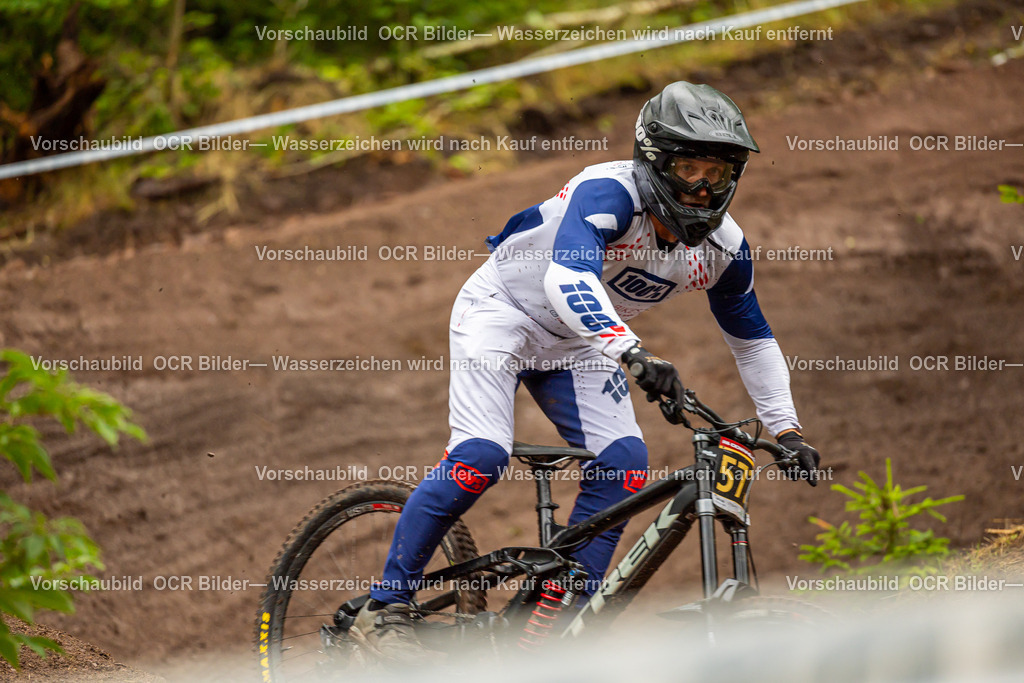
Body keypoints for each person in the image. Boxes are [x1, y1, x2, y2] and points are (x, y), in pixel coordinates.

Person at [353, 81, 822, 659]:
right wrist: (630, 350)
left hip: (578, 343)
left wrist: (788, 430)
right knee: (481, 455)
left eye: (718, 173)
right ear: (654, 161)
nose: (702, 187)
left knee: (624, 464)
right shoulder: (610, 193)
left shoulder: (723, 249)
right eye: (689, 168)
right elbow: (567, 278)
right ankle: (385, 606)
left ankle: (548, 632)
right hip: (502, 314)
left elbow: (752, 340)